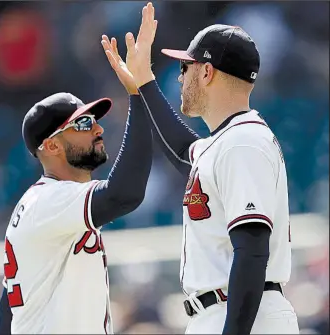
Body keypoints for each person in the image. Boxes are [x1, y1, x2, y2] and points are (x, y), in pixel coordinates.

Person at [101, 2, 299, 334]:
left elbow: (251, 250)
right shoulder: (227, 142)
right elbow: (182, 150)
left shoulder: (243, 142)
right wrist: (143, 83)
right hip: (227, 312)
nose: (179, 76)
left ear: (207, 72)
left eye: (186, 67)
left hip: (244, 317)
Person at [0, 87, 152, 333]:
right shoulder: (50, 200)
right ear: (52, 146)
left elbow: (8, 306)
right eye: (82, 124)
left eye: (93, 121)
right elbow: (124, 194)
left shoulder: (45, 202)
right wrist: (139, 93)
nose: (98, 129)